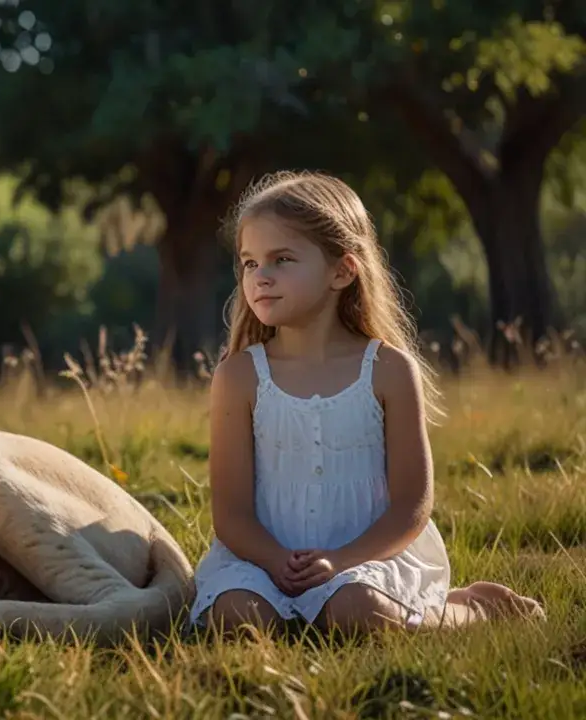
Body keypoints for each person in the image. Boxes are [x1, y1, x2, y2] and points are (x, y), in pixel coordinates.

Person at [190, 170, 545, 638]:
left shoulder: (388, 370)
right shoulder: (238, 376)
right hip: (263, 559)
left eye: (282, 259)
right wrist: (276, 561)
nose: (261, 277)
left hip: (367, 559)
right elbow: (231, 513)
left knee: (356, 609)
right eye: (250, 263)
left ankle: (470, 610)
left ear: (342, 271)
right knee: (236, 617)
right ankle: (292, 609)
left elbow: (411, 506)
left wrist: (341, 561)